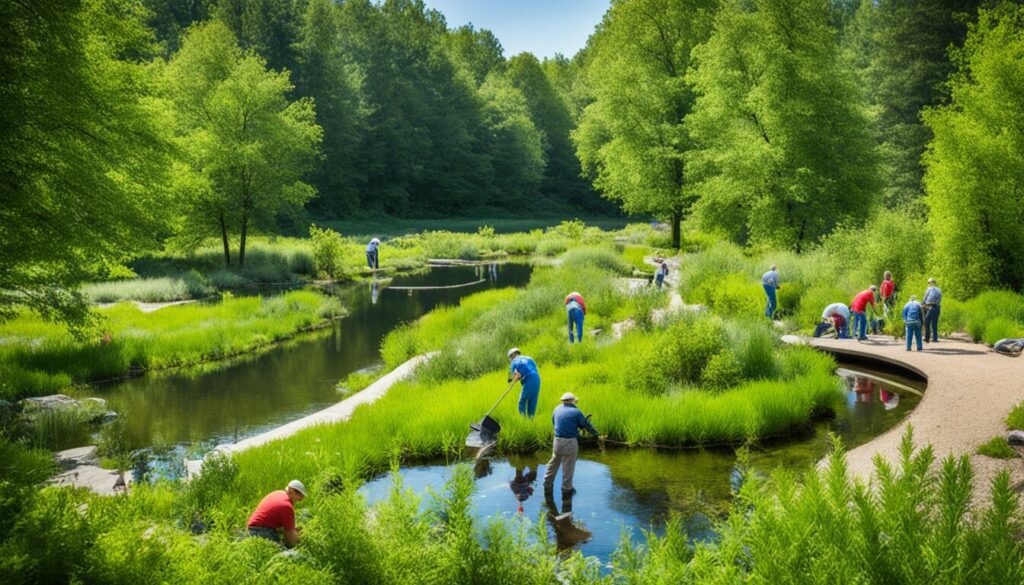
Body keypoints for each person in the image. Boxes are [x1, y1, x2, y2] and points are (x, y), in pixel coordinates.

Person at [543, 392, 598, 497]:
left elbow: (554, 423)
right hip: (570, 443)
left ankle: (547, 484)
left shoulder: (557, 409)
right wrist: (597, 434)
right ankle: (566, 489)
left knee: (553, 462)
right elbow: (586, 425)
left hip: (557, 441)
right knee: (568, 467)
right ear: (572, 401)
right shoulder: (576, 412)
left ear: (563, 401)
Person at [247, 480, 307, 547]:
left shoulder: (278, 493)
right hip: (262, 530)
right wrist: (301, 543)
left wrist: (293, 530)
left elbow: (282, 528)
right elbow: (290, 537)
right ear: (292, 492)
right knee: (284, 554)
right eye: (299, 498)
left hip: (253, 527)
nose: (299, 501)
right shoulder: (286, 506)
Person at [507, 348, 541, 417]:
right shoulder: (528, 358)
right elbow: (534, 368)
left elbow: (515, 376)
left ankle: (523, 421)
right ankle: (530, 422)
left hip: (529, 379)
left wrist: (513, 380)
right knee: (532, 401)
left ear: (511, 357)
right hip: (537, 378)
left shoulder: (514, 362)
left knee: (522, 402)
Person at [923, 278, 942, 343]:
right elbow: (939, 300)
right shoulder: (939, 290)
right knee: (935, 324)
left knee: (927, 323)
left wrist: (922, 304)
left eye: (928, 283)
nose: (928, 284)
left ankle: (927, 338)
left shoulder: (929, 289)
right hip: (937, 307)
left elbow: (925, 298)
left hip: (929, 307)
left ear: (930, 283)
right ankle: (935, 338)